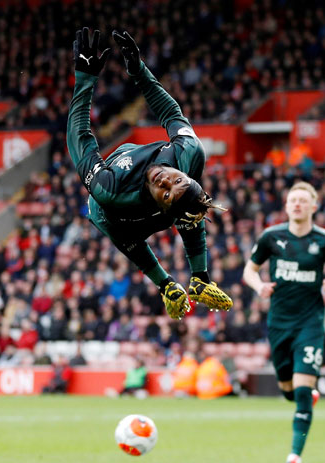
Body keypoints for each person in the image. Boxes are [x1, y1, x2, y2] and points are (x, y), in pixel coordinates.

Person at [67, 28, 232, 320]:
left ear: (161, 204)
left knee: (140, 229)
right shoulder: (190, 153)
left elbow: (79, 138)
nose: (166, 182)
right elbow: (170, 112)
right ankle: (198, 279)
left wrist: (85, 80)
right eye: (177, 180)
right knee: (192, 206)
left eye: (166, 194)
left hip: (112, 214)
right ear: (188, 174)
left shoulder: (111, 189)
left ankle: (170, 283)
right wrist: (138, 69)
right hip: (155, 200)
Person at [243, 181, 325, 463]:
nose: (297, 204)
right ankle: (304, 396)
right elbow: (250, 269)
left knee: (301, 390)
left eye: (303, 200)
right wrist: (259, 285)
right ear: (286, 206)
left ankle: (294, 458)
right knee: (288, 389)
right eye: (292, 200)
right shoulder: (271, 237)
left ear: (314, 206)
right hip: (279, 323)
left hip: (310, 323)